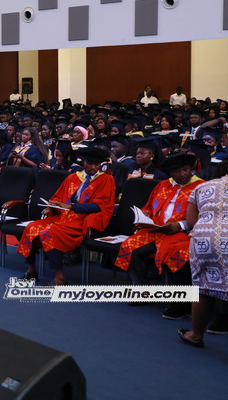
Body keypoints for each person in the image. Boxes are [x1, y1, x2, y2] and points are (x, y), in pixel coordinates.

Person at [114, 153, 203, 319]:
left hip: (182, 233)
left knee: (170, 254)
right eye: (177, 171)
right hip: (156, 230)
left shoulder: (201, 187)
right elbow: (148, 206)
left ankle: (174, 300)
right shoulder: (162, 185)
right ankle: (142, 290)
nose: (183, 173)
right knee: (130, 247)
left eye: (186, 169)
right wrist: (145, 215)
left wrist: (180, 225)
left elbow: (204, 216)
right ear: (170, 173)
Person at [17, 147, 116, 285]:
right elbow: (59, 196)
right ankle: (31, 271)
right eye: (90, 163)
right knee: (31, 228)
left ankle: (60, 277)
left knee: (50, 232)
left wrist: (73, 207)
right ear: (83, 162)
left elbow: (101, 206)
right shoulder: (72, 177)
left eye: (97, 164)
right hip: (63, 217)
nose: (93, 167)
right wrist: (54, 203)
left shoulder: (106, 180)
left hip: (82, 220)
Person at [178, 161, 228, 348]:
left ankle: (195, 335)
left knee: (203, 288)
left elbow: (191, 221)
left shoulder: (202, 187)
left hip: (205, 240)